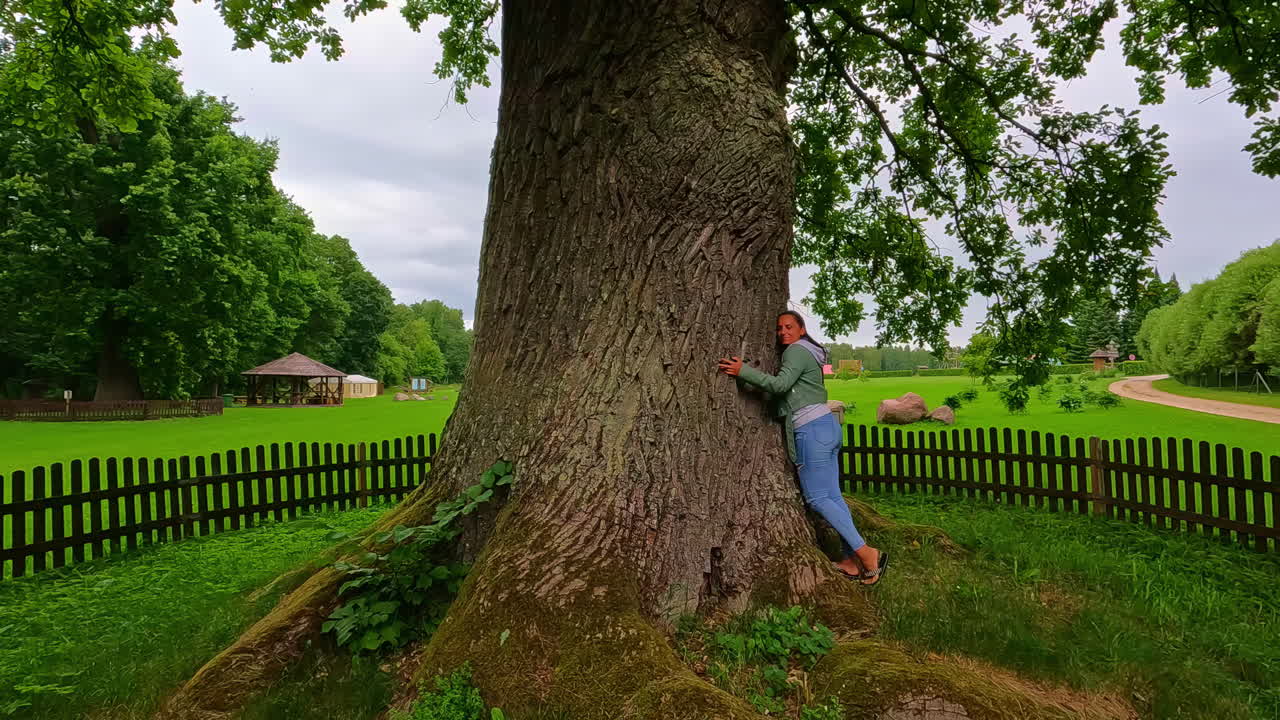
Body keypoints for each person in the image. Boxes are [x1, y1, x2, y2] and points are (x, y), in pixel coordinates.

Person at [718, 311, 888, 585]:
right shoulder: (810, 352)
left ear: (801, 329)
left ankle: (867, 554)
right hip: (827, 425)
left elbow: (780, 385)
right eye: (779, 328)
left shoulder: (796, 351)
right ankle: (850, 561)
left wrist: (743, 371)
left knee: (818, 498)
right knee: (833, 497)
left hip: (811, 429)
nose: (783, 332)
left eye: (789, 327)